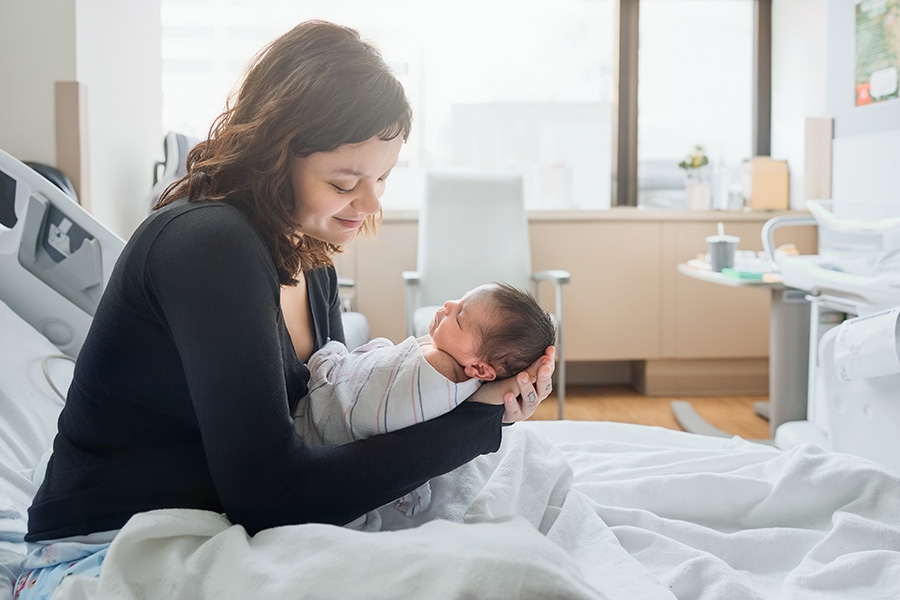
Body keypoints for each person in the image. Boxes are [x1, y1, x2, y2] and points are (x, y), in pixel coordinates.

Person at [17, 20, 554, 598]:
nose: (371, 203)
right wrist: (477, 420)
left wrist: (472, 397)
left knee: (522, 499)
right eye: (346, 179)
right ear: (276, 156)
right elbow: (271, 495)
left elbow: (330, 419)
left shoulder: (309, 256)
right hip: (114, 545)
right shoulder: (209, 244)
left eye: (383, 177)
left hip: (228, 524)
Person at [294, 282, 556, 516]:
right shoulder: (465, 376)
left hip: (316, 424)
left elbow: (362, 388)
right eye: (460, 300)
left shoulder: (437, 366)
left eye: (460, 317)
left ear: (478, 370)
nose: (448, 305)